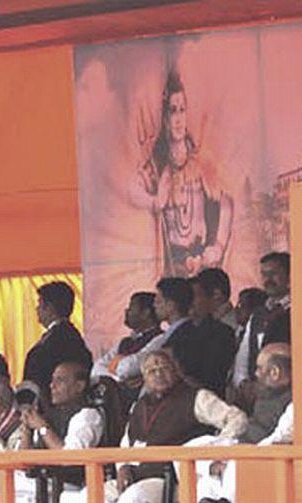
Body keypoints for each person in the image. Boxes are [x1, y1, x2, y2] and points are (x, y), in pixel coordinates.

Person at [36, 350, 247, 503]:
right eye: (151, 370)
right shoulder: (140, 405)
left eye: (163, 367)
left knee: (134, 496)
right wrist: (123, 466)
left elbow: (236, 419)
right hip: (135, 473)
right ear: (143, 378)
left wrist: (219, 450)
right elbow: (126, 444)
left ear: (175, 370)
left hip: (170, 477)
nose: (158, 374)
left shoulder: (195, 397)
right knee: (94, 492)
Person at [156, 343, 293, 503]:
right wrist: (222, 455)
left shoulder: (295, 400)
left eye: (260, 369)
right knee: (193, 452)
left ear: (275, 373)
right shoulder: (263, 395)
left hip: (267, 461)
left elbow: (280, 437)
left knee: (223, 479)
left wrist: (235, 455)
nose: (255, 374)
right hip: (242, 451)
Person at [133, 69, 233, 277]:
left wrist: (218, 246)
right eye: (172, 110)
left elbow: (226, 202)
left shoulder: (201, 161)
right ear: (164, 116)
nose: (178, 118)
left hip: (202, 262)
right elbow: (132, 191)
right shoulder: (156, 165)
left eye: (182, 110)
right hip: (173, 266)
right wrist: (155, 202)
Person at [231, 252, 291, 411]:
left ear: (289, 275)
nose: (267, 280)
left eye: (273, 274)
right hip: (255, 398)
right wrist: (243, 383)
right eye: (264, 274)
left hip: (284, 398)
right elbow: (243, 356)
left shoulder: (298, 310)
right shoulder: (258, 314)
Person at [23, 281, 93, 403]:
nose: (37, 309)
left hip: (52, 405)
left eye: (40, 304)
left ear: (49, 308)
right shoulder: (66, 334)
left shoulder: (61, 337)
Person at [113, 278, 193, 384]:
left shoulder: (183, 335)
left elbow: (129, 368)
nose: (154, 306)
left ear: (171, 305)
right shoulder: (175, 333)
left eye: (159, 301)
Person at [19, 362, 104, 452]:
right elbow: (22, 461)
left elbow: (69, 456)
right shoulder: (49, 416)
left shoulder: (89, 415)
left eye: (60, 380)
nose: (52, 385)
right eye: (52, 380)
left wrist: (42, 427)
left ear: (79, 386)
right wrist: (27, 431)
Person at [91, 292, 163, 381]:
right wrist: (119, 379)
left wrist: (115, 363)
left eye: (131, 308)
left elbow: (129, 367)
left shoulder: (160, 338)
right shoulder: (124, 341)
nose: (127, 311)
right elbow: (97, 368)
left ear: (145, 313)